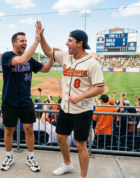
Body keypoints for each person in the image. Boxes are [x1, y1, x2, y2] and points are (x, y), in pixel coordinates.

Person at [40, 22, 105, 178]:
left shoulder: (92, 63)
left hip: (82, 110)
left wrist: (80, 96)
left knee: (81, 145)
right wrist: (41, 37)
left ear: (79, 43)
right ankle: (67, 164)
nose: (66, 43)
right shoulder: (65, 56)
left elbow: (100, 88)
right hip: (65, 107)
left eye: (70, 41)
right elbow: (48, 51)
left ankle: (83, 176)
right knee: (60, 137)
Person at [0, 21, 56, 172]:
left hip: (25, 101)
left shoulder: (30, 59)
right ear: (14, 43)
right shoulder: (7, 56)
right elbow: (21, 61)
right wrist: (36, 41)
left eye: (26, 41)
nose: (25, 43)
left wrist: (52, 57)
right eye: (22, 41)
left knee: (29, 129)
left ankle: (30, 157)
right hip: (10, 100)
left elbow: (44, 69)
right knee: (9, 130)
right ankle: (8, 156)